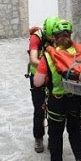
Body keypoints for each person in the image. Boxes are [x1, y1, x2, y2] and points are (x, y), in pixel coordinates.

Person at [33, 19, 81, 161]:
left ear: (54, 37)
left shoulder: (49, 56)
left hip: (57, 102)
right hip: (78, 99)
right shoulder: (79, 51)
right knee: (75, 128)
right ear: (70, 35)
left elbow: (37, 82)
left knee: (55, 135)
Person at [27, 16, 59, 153]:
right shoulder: (36, 37)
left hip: (52, 76)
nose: (54, 39)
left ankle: (53, 138)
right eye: (52, 36)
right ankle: (38, 137)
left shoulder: (58, 36)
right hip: (37, 76)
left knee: (53, 108)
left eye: (55, 36)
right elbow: (33, 58)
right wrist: (48, 66)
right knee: (39, 109)